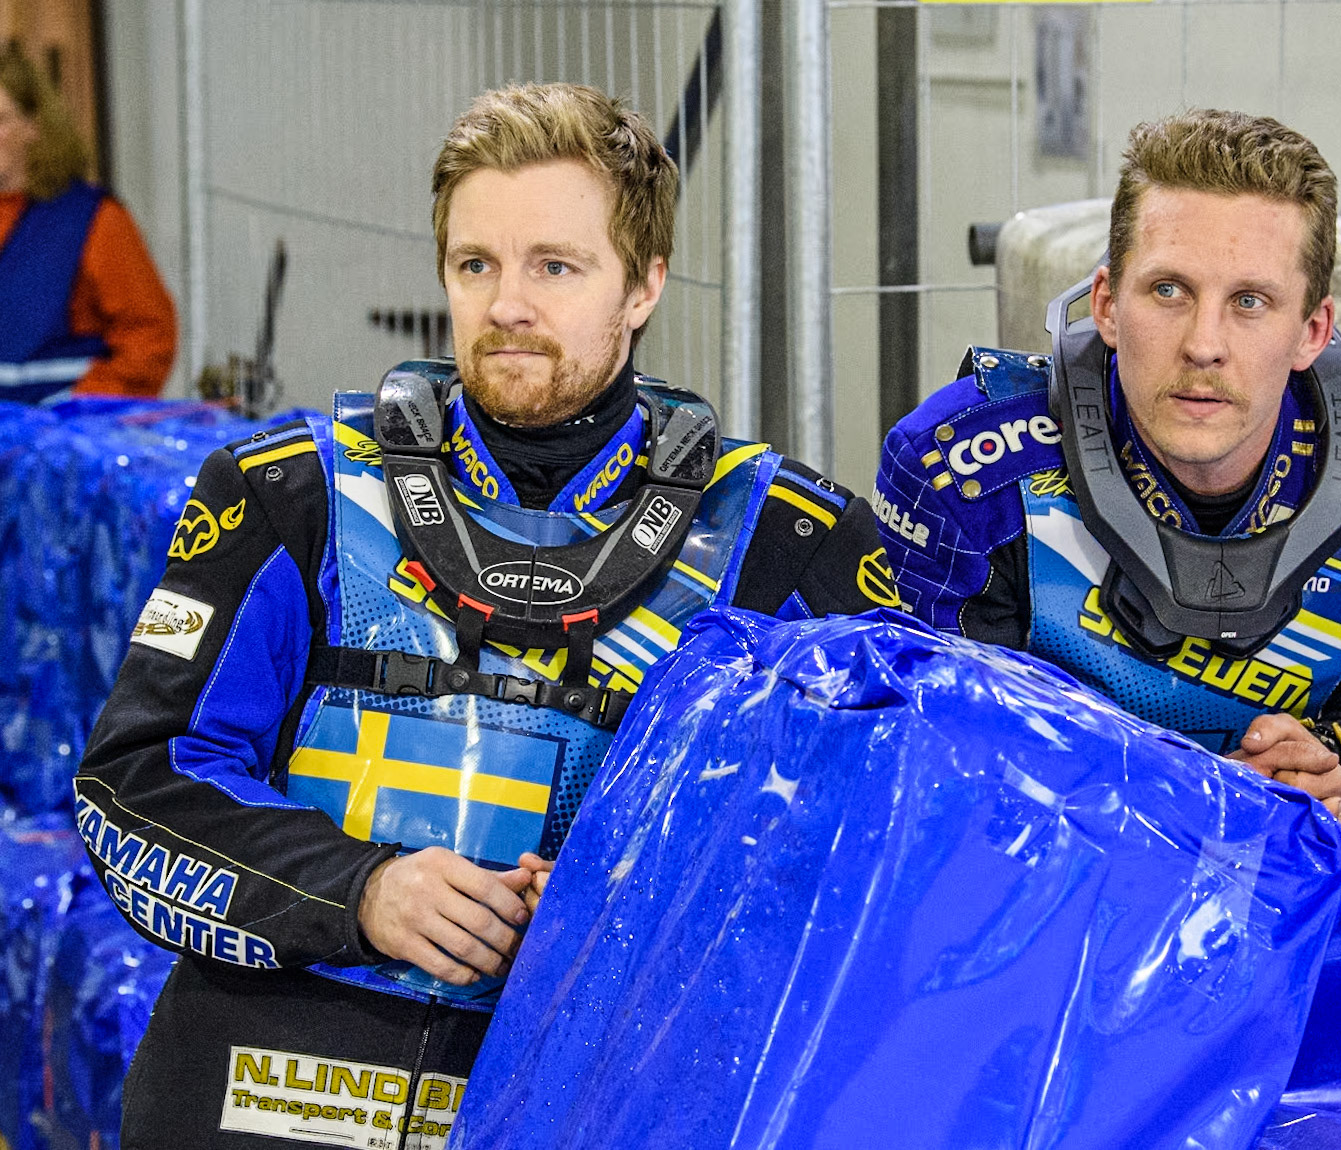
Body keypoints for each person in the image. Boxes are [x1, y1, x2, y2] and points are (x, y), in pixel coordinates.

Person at [76, 82, 889, 1148]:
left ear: (643, 286)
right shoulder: (288, 492)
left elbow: (870, 855)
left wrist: (634, 905)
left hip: (574, 1089)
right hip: (264, 1084)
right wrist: (362, 891)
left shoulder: (784, 542)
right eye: (476, 265)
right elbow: (131, 787)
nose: (507, 304)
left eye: (555, 265)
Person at [874, 109, 1341, 851]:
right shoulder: (960, 466)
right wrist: (1185, 793)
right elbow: (930, 770)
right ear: (1107, 305)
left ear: (1312, 330)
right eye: (1169, 291)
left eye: (1249, 302)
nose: (1203, 345)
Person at [0, 42, 176, 401]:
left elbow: (149, 338)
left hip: (57, 446)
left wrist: (80, 414)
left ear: (35, 126)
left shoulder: (92, 220)